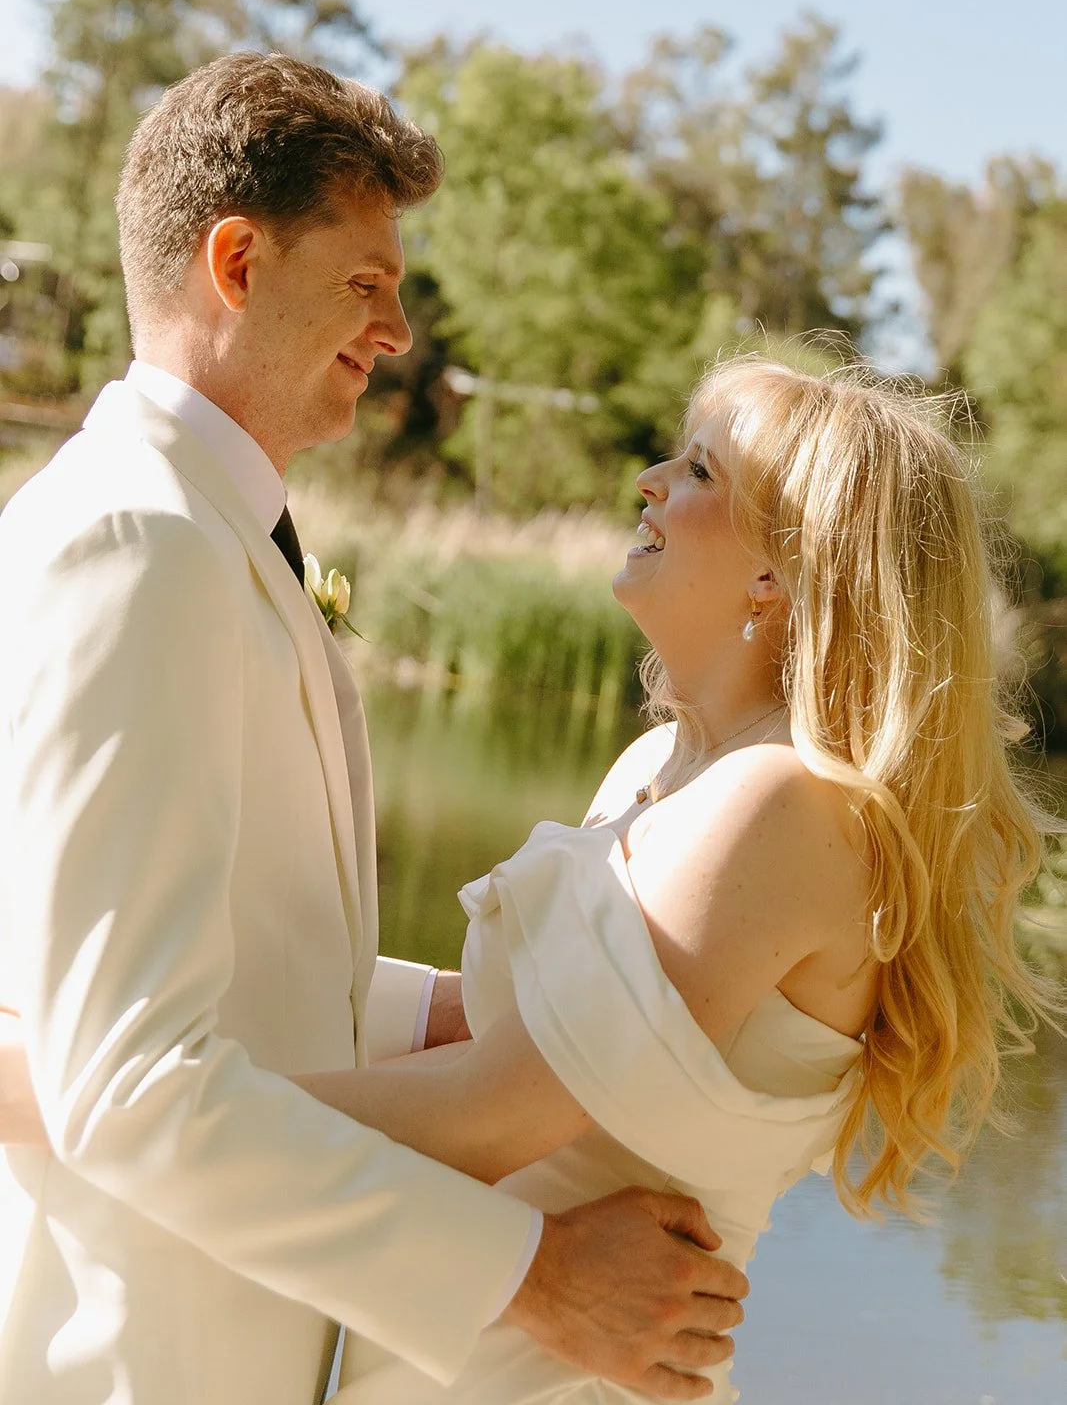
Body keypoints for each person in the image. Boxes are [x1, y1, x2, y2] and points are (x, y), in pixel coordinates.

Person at [5, 348, 1059, 1402]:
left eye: (698, 470)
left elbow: (484, 1114)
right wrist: (102, 1013)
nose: (648, 480)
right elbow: (494, 1030)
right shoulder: (662, 766)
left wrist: (86, 1099)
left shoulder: (778, 805)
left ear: (777, 572)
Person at [0, 53, 748, 1405]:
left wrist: (468, 1014)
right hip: (134, 1358)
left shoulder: (199, 533)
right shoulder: (135, 542)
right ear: (237, 264)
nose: (398, 331)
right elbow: (128, 1083)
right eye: (365, 281)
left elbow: (211, 949)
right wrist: (526, 1276)